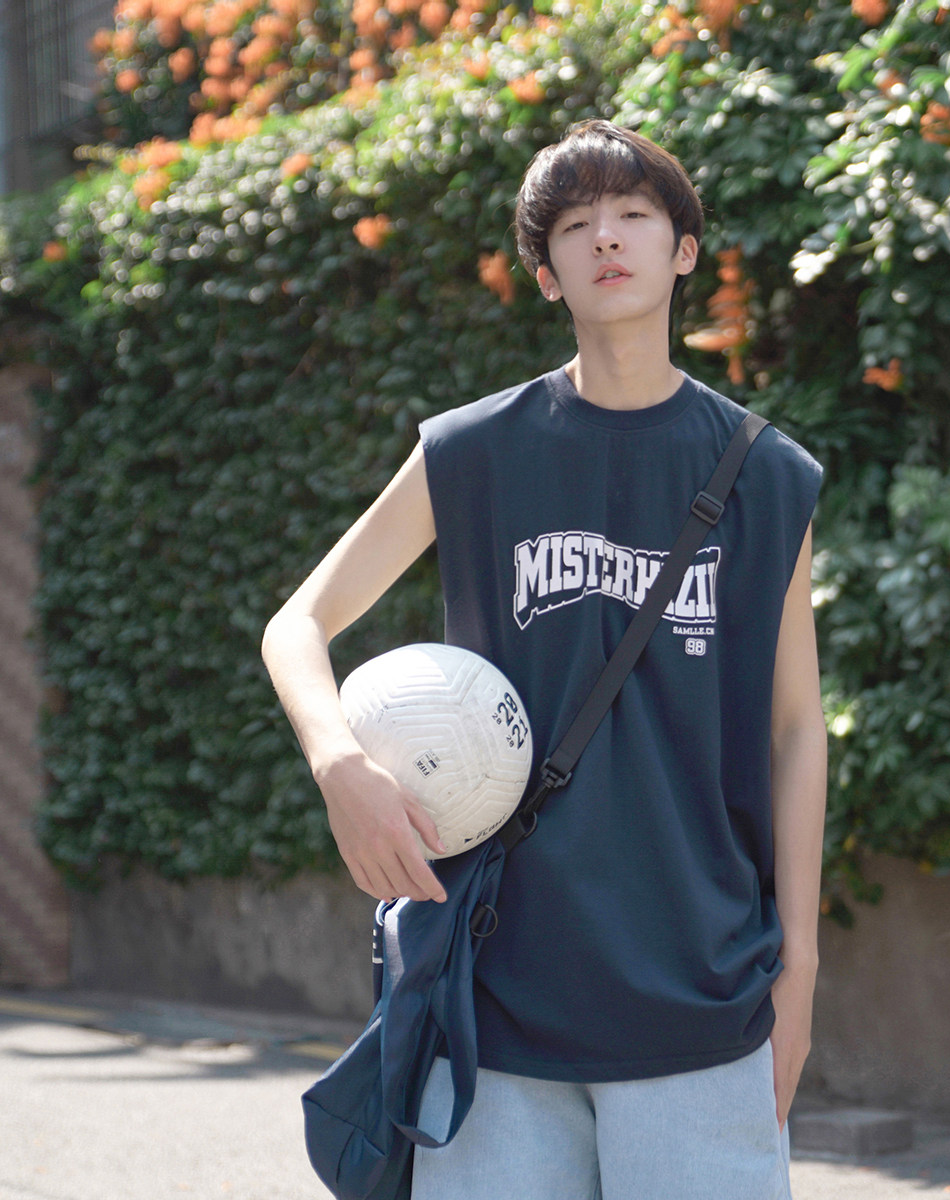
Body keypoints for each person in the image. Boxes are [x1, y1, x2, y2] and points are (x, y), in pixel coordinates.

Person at [261, 119, 826, 1200]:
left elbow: (796, 730)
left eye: (634, 214)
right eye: (575, 224)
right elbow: (298, 624)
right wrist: (341, 767)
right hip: (496, 999)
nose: (606, 236)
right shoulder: (473, 451)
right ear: (546, 273)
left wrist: (798, 970)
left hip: (702, 991)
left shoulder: (768, 475)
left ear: (684, 250)